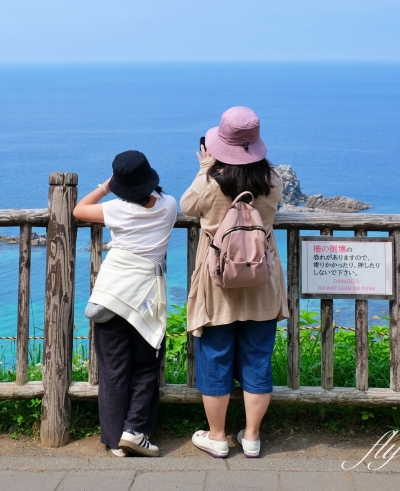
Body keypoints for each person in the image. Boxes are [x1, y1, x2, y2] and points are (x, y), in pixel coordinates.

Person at [182, 106, 287, 459]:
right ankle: (252, 437)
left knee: (215, 357)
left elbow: (186, 206)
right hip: (261, 281)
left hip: (218, 286)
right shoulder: (272, 181)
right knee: (258, 359)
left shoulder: (211, 182)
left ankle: (216, 436)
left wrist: (204, 168)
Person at [73, 150, 178, 458]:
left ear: (121, 186)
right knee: (146, 365)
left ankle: (114, 440)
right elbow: (162, 195)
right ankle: (135, 430)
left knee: (113, 369)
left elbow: (79, 209)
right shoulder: (169, 206)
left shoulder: (115, 210)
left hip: (112, 296)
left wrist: (105, 187)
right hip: (146, 300)